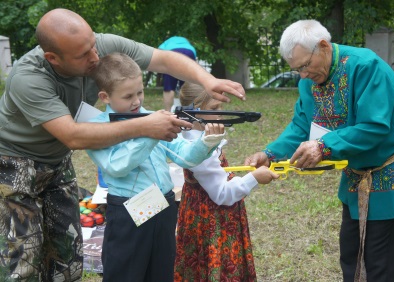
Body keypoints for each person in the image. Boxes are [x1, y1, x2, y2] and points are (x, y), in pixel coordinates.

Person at [0, 8, 245, 281]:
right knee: (22, 260)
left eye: (93, 45)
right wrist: (147, 126)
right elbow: (73, 136)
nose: (96, 57)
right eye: (83, 55)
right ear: (53, 58)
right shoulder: (28, 78)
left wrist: (207, 81)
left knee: (67, 257)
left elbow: (162, 59)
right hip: (15, 162)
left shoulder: (98, 47)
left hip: (60, 162)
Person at [244, 19, 394, 281]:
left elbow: (374, 127)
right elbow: (302, 125)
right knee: (351, 257)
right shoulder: (309, 81)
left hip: (391, 180)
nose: (303, 75)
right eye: (297, 70)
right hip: (355, 179)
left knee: (380, 266)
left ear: (324, 46)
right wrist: (270, 154)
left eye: (305, 65)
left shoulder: (366, 67)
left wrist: (323, 147)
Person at [86, 53, 226, 282]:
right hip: (127, 211)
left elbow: (184, 158)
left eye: (140, 92)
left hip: (164, 205)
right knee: (125, 274)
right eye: (128, 96)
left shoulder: (154, 117)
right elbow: (117, 166)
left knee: (162, 273)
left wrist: (206, 142)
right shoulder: (96, 128)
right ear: (105, 96)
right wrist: (149, 133)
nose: (136, 101)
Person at [174, 82, 279, 281]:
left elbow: (218, 175)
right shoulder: (198, 148)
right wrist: (254, 178)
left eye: (220, 107)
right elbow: (222, 193)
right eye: (214, 108)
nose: (221, 113)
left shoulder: (198, 137)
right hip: (210, 222)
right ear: (193, 111)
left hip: (206, 217)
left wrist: (247, 171)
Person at [158, 36, 197, 111]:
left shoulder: (166, 42)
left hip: (171, 52)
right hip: (190, 52)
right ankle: (189, 111)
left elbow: (158, 53)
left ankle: (168, 112)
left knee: (169, 88)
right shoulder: (187, 43)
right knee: (187, 86)